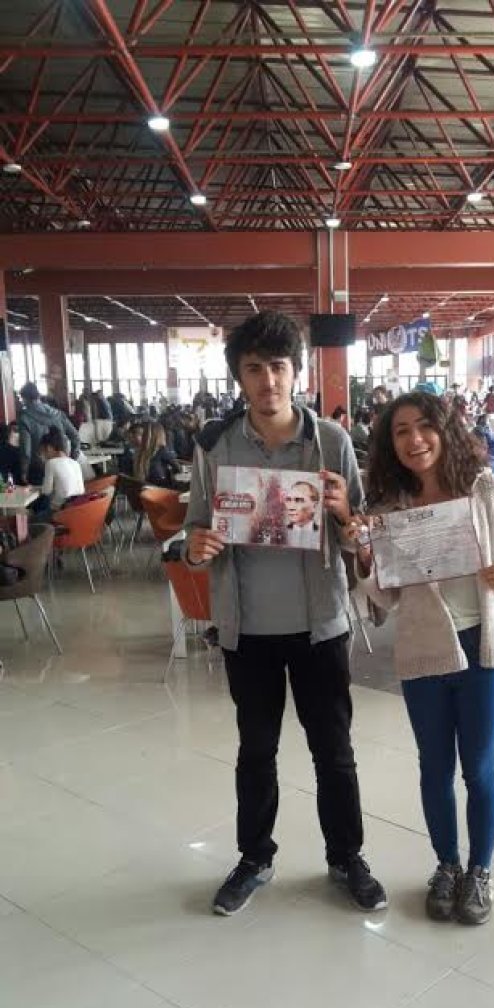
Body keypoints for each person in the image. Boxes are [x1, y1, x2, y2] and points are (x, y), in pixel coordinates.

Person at [182, 310, 386, 916]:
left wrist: (345, 514)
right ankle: (254, 857)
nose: (267, 380)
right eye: (254, 369)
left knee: (334, 752)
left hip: (320, 624)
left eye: (277, 366)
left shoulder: (332, 442)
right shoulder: (215, 446)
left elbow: (361, 536)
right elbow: (195, 528)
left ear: (297, 371)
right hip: (247, 629)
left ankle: (346, 856)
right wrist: (195, 548)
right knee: (256, 752)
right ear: (239, 377)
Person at [349, 392, 494, 924]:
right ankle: (447, 866)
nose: (415, 440)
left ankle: (481, 871)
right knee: (434, 767)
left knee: (479, 767)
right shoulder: (389, 509)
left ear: (445, 429)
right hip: (424, 649)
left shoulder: (487, 490)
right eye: (401, 431)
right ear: (390, 443)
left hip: (483, 647)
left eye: (425, 426)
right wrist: (366, 559)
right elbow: (387, 597)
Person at [17, 382, 80, 486]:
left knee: (40, 494)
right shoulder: (57, 414)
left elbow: (26, 450)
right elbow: (75, 436)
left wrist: (24, 472)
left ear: (25, 398)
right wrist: (72, 459)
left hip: (38, 468)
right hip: (62, 465)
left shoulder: (24, 418)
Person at [33, 425, 84, 518]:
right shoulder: (74, 463)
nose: (42, 457)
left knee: (32, 519)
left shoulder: (51, 463)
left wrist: (33, 488)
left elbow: (46, 491)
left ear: (49, 448)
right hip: (78, 511)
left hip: (60, 512)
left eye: (42, 452)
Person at [134, 421, 178, 487]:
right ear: (161, 435)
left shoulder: (139, 451)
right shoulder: (161, 450)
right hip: (159, 488)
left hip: (145, 487)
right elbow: (177, 467)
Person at [284, 479, 322, 548]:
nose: (291, 507)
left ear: (314, 506)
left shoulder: (323, 535)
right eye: (288, 500)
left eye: (298, 500)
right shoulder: (280, 534)